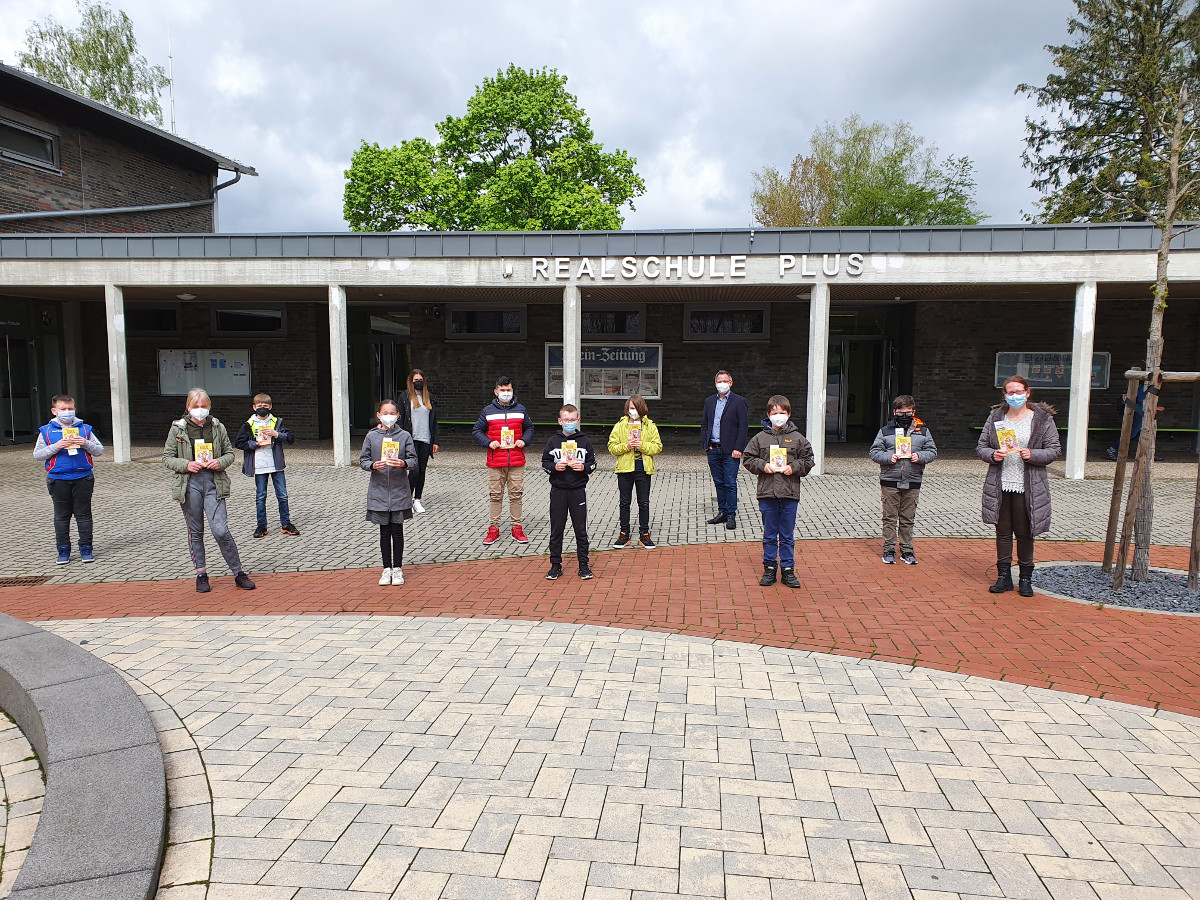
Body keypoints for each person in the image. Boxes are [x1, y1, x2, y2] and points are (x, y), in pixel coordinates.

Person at [162, 388, 255, 593]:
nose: (200, 410)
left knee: (220, 530)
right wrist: (186, 464)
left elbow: (230, 454)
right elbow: (167, 458)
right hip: (190, 483)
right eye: (196, 406)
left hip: (214, 482)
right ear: (188, 407)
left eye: (204, 406)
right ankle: (201, 574)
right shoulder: (178, 429)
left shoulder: (217, 426)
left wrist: (219, 462)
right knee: (196, 532)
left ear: (209, 406)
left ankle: (238, 573)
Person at [977, 376, 1061, 597]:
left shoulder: (1042, 419)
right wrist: (993, 454)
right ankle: (1003, 577)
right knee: (1003, 532)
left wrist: (1033, 454)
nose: (1014, 396)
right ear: (1004, 395)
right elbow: (981, 446)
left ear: (1027, 392)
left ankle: (1025, 579)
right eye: (1010, 393)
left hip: (1029, 485)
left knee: (1025, 533)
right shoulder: (996, 417)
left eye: (1018, 392)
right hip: (1000, 483)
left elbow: (1054, 449)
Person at [741, 395, 814, 588]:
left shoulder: (798, 439)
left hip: (790, 493)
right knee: (770, 534)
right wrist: (763, 465)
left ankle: (788, 570)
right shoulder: (760, 438)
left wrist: (794, 467)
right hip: (767, 492)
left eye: (782, 413)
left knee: (787, 534)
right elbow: (747, 458)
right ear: (768, 415)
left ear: (788, 414)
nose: (778, 416)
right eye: (775, 413)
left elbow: (809, 460)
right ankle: (770, 568)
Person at [33, 394, 104, 564]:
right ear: (54, 411)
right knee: (61, 517)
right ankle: (63, 550)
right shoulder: (47, 431)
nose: (67, 412)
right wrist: (56, 446)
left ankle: (86, 549)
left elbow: (99, 450)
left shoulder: (85, 429)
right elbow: (38, 455)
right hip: (58, 479)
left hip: (83, 478)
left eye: (70, 409)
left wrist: (85, 443)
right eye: (63, 409)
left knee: (84, 516)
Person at [868, 395, 938, 565]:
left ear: (913, 412)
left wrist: (920, 456)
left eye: (908, 412)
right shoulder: (885, 431)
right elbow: (874, 452)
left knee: (908, 518)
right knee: (890, 517)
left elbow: (932, 452)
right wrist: (889, 457)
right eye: (900, 412)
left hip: (913, 479)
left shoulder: (923, 431)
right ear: (894, 412)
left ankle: (907, 550)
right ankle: (889, 549)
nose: (904, 415)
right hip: (890, 479)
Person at [359, 399, 418, 586]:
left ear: (398, 415)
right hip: (379, 492)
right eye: (386, 412)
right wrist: (373, 465)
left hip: (400, 491)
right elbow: (363, 460)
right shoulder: (371, 436)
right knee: (384, 532)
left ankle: (398, 569)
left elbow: (413, 460)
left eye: (393, 413)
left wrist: (404, 463)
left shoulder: (405, 436)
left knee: (397, 532)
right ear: (378, 415)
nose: (389, 416)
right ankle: (386, 569)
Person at [472, 376, 534, 545]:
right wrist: (488, 442)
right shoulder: (488, 411)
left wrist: (525, 440)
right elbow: (477, 431)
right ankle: (494, 529)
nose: (506, 393)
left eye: (509, 390)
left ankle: (517, 528)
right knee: (495, 496)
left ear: (512, 390)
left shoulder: (521, 409)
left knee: (516, 495)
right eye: (503, 390)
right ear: (496, 391)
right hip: (495, 461)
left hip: (516, 461)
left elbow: (529, 428)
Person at [542, 404, 597, 580]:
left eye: (573, 420)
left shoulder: (584, 441)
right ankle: (555, 565)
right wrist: (554, 467)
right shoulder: (553, 441)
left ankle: (584, 565)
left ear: (578, 420)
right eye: (567, 420)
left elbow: (593, 463)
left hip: (578, 490)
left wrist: (584, 467)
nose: (570, 423)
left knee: (581, 529)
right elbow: (544, 463)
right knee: (557, 529)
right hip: (558, 490)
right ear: (560, 421)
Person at [233, 392, 299, 538]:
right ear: (254, 407)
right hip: (259, 465)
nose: (262, 408)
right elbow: (239, 443)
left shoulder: (277, 422)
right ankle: (261, 526)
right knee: (260, 496)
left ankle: (286, 523)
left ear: (270, 406)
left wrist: (276, 434)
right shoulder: (248, 424)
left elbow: (290, 438)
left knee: (282, 495)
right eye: (259, 406)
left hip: (276, 465)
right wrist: (254, 443)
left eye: (265, 406)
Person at [607, 394, 663, 549]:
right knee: (624, 502)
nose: (634, 411)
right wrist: (627, 446)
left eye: (637, 408)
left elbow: (657, 447)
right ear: (627, 408)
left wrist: (641, 445)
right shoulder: (620, 425)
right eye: (631, 408)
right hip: (625, 469)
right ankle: (624, 533)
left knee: (643, 503)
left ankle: (644, 534)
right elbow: (612, 447)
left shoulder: (649, 425)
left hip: (643, 469)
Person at [700, 370, 749, 530]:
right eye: (719, 381)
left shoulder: (739, 401)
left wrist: (738, 448)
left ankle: (731, 515)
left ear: (731, 383)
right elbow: (705, 424)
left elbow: (743, 427)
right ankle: (722, 511)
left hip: (730, 451)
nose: (722, 384)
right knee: (719, 482)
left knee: (730, 483)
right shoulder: (709, 401)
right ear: (715, 384)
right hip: (713, 448)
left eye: (725, 381)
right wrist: (705, 444)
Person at [399, 369, 439, 513]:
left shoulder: (430, 398)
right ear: (411, 381)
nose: (418, 382)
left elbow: (434, 421)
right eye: (416, 380)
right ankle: (406, 499)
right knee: (413, 471)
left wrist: (435, 441)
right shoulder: (405, 397)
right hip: (411, 439)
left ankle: (417, 500)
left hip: (425, 439)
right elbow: (401, 418)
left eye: (421, 380)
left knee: (422, 471)